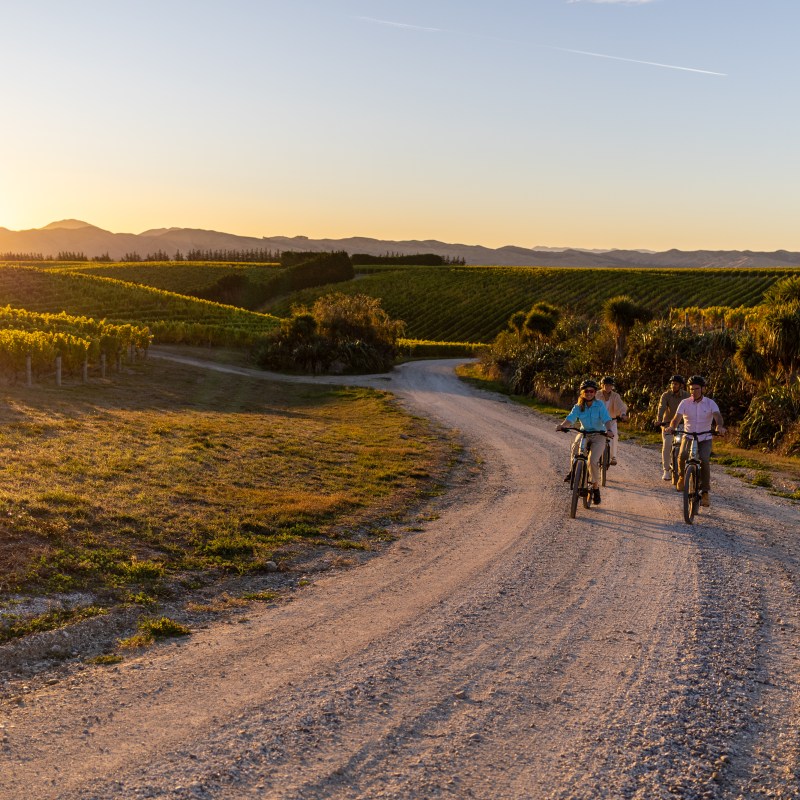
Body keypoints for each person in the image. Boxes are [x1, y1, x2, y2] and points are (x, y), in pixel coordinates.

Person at [664, 375, 726, 507]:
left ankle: (705, 492)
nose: (693, 392)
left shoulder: (710, 403)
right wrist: (672, 427)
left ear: (703, 389)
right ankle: (681, 476)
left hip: (705, 437)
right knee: (682, 456)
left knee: (704, 459)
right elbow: (676, 418)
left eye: (696, 389)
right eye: (691, 389)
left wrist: (719, 426)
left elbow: (717, 416)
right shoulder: (685, 402)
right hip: (689, 435)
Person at [556, 379, 614, 505]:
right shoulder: (578, 406)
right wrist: (562, 426)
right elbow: (570, 419)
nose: (589, 393)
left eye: (591, 391)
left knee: (593, 461)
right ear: (582, 392)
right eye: (586, 391)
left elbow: (606, 419)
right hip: (584, 433)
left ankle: (595, 487)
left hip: (599, 435)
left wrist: (609, 429)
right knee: (575, 448)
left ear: (595, 392)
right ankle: (573, 472)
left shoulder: (599, 405)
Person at [656, 375, 690, 481]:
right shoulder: (666, 395)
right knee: (667, 445)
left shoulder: (686, 396)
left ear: (681, 385)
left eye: (676, 384)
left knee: (686, 447)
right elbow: (661, 408)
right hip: (667, 425)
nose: (673, 386)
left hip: (682, 424)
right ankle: (666, 470)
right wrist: (659, 419)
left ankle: (687, 469)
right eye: (672, 383)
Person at [597, 376, 627, 466]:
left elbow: (621, 406)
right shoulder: (597, 394)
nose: (607, 387)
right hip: (599, 421)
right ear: (602, 385)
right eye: (605, 385)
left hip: (611, 421)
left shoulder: (615, 396)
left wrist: (623, 414)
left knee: (614, 436)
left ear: (612, 386)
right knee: (594, 436)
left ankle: (613, 457)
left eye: (610, 385)